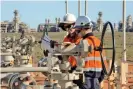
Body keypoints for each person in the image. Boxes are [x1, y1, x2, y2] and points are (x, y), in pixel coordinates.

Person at [73, 16, 107, 89]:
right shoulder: (99, 43)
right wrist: (97, 80)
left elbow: (72, 65)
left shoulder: (80, 43)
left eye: (77, 30)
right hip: (96, 82)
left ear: (82, 29)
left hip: (83, 81)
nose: (77, 33)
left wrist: (77, 82)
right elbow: (104, 68)